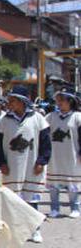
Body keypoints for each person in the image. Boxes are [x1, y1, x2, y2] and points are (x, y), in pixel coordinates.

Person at [0, 85, 50, 242]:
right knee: (14, 201)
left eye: (13, 100)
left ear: (22, 102)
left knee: (32, 198)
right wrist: (1, 162)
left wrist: (42, 161)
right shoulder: (5, 120)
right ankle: (17, 231)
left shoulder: (37, 118)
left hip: (32, 165)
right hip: (12, 166)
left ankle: (35, 229)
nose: (10, 103)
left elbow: (46, 142)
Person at [45, 90, 81, 218]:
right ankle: (54, 208)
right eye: (58, 100)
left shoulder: (77, 117)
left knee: (73, 182)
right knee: (53, 184)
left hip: (72, 155)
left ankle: (75, 208)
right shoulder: (51, 116)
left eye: (62, 100)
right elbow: (43, 133)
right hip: (54, 155)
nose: (59, 103)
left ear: (70, 101)